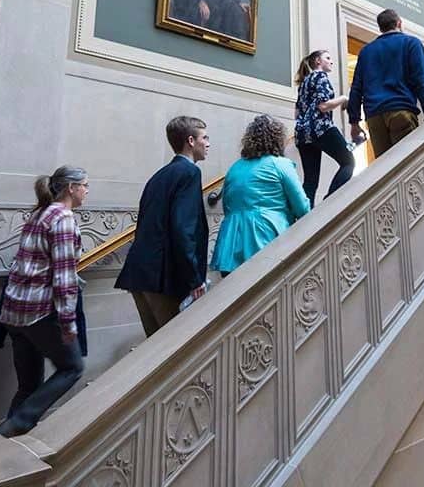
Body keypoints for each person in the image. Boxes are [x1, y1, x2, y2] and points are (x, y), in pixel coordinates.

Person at [0, 167, 89, 437]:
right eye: (84, 185)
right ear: (71, 188)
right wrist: (68, 322)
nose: (86, 190)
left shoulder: (39, 213)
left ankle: (3, 443)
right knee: (72, 368)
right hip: (40, 312)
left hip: (14, 311)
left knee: (28, 387)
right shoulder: (63, 218)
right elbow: (64, 276)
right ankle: (15, 426)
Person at [116, 116, 212, 337]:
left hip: (140, 274)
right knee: (180, 347)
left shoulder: (159, 175)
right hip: (164, 279)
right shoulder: (190, 173)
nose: (208, 143)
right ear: (191, 141)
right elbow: (183, 229)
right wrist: (195, 279)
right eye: (205, 138)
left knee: (156, 349)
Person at [211, 114, 310, 276]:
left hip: (231, 242)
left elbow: (227, 206)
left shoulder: (234, 168)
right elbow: (302, 207)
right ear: (278, 139)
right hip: (266, 235)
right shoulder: (280, 164)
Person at [347, 8, 424, 156]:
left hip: (374, 117)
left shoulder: (366, 51)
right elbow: (422, 82)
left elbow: (356, 88)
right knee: (408, 163)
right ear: (399, 23)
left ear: (380, 28)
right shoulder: (411, 43)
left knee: (385, 166)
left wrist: (354, 122)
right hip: (401, 110)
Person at [294, 50, 354, 207]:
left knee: (310, 181)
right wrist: (344, 98)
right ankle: (328, 203)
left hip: (303, 134)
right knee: (349, 162)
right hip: (321, 128)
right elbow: (323, 106)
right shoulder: (320, 76)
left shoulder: (304, 82)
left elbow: (297, 113)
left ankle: (305, 218)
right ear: (317, 61)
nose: (331, 61)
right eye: (328, 58)